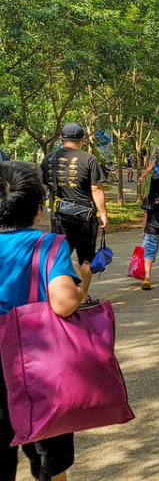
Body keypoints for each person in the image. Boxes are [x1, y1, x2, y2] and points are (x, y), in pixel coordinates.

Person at [0, 161, 87, 481]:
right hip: (40, 370)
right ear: (39, 209)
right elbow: (63, 303)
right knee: (49, 461)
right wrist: (78, 286)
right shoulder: (48, 245)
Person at [41, 123, 107, 306]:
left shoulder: (48, 159)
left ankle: (55, 296)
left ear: (61, 138)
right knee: (86, 258)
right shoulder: (89, 159)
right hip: (84, 217)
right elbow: (97, 189)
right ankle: (82, 297)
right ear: (83, 140)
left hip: (59, 216)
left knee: (58, 255)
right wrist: (103, 213)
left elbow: (42, 188)